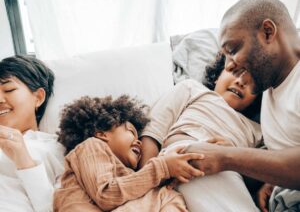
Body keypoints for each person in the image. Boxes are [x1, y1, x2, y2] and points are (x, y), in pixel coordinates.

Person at [182, 0, 300, 212]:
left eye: (233, 50)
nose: (228, 66)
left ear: (268, 32)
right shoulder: (272, 83)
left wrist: (227, 157)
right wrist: (272, 178)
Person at [140, 52, 263, 211]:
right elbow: (152, 131)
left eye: (252, 82)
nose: (240, 82)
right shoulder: (192, 89)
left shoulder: (257, 130)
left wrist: (232, 157)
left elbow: (257, 176)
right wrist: (148, 178)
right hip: (179, 156)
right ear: (217, 76)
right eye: (235, 71)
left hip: (227, 171)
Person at [54, 95, 204, 212]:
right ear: (101, 134)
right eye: (131, 132)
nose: (139, 142)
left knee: (170, 196)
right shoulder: (91, 147)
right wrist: (162, 167)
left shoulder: (132, 176)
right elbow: (106, 194)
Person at [0, 55, 65, 212]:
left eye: (9, 89)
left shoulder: (56, 148)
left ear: (38, 97)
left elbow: (53, 209)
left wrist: (24, 161)